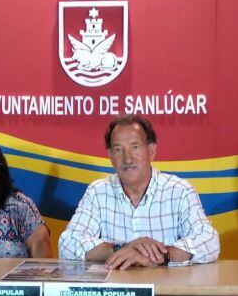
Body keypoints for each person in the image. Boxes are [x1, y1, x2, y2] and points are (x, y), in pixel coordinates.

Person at [58, 115, 219, 269]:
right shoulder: (98, 192)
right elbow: (68, 243)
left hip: (165, 286)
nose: (127, 159)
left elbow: (209, 241)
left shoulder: (179, 191)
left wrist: (159, 255)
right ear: (110, 156)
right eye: (118, 149)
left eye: (135, 147)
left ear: (151, 151)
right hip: (116, 286)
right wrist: (123, 249)